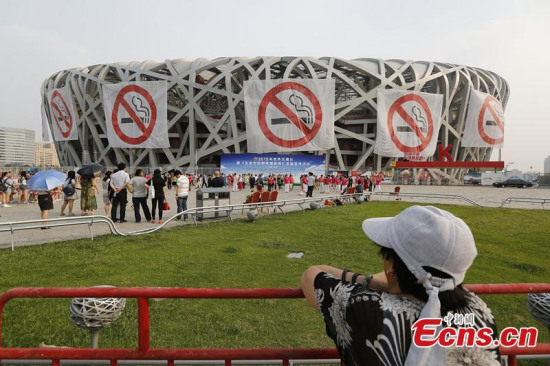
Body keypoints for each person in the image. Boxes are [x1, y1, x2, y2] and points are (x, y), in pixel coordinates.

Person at [301, 206, 501, 366]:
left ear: (392, 268)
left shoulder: (370, 309)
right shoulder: (479, 311)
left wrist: (372, 282)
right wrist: (395, 275)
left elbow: (312, 275)